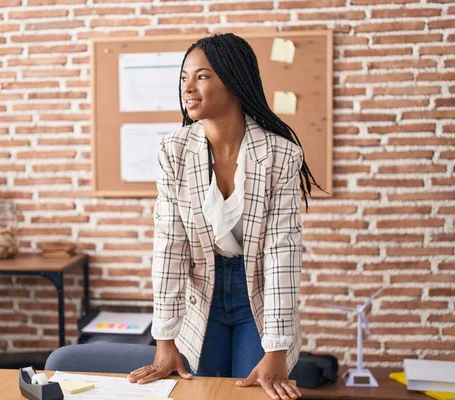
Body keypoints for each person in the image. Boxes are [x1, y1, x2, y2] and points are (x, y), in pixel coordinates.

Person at [127, 33, 321, 400]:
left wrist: (276, 349)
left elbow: (282, 252)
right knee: (203, 393)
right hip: (201, 291)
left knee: (257, 392)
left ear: (233, 81)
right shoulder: (174, 150)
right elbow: (170, 244)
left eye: (202, 76)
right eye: (184, 77)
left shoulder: (281, 154)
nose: (188, 87)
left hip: (259, 293)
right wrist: (164, 338)